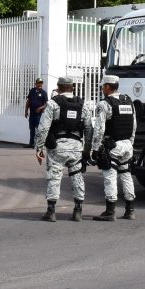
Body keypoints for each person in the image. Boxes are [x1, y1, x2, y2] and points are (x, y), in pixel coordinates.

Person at [34, 77, 94, 222]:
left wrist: (39, 148)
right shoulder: (82, 105)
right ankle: (78, 210)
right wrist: (87, 150)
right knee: (77, 176)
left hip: (57, 147)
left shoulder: (53, 103)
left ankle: (51, 211)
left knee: (54, 177)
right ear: (72, 88)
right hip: (76, 147)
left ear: (59, 87)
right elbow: (89, 129)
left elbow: (43, 129)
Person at [90, 74, 137, 221]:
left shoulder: (104, 104)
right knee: (126, 175)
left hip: (113, 146)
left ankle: (110, 212)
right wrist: (130, 142)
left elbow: (99, 129)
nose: (102, 89)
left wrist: (95, 149)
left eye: (103, 87)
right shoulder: (128, 102)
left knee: (110, 176)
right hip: (127, 145)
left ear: (107, 87)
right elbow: (134, 125)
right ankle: (130, 211)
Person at [24, 78, 48, 149]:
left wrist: (40, 108)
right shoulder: (32, 91)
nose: (40, 84)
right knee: (32, 129)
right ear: (36, 84)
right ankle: (31, 144)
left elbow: (46, 104)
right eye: (38, 83)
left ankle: (38, 144)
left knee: (38, 130)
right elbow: (28, 101)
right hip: (32, 114)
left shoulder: (44, 93)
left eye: (41, 83)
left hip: (39, 115)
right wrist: (26, 111)